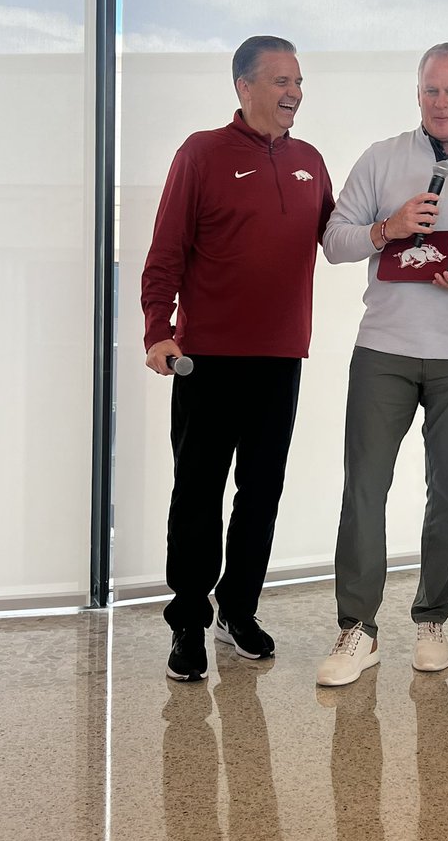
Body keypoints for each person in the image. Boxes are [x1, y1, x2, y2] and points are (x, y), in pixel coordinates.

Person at [315, 42, 448, 686]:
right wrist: (389, 227)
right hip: (383, 348)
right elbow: (333, 241)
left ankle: (432, 619)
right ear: (418, 94)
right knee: (364, 487)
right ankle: (357, 630)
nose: (441, 102)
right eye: (431, 90)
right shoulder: (381, 159)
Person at [142, 35, 334, 682]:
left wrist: (397, 233)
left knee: (261, 493)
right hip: (207, 361)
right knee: (197, 494)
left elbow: (340, 235)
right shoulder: (201, 153)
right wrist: (156, 330)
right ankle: (189, 623)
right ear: (243, 86)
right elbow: (165, 251)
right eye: (280, 80)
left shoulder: (311, 160)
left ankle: (237, 611)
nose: (293, 92)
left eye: (299, 81)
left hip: (281, 359)